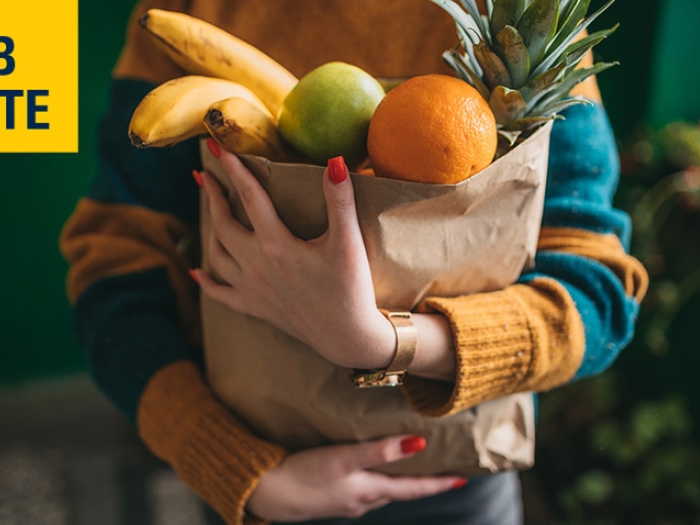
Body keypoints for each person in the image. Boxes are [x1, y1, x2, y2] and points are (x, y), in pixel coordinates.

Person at [59, 1, 649, 524]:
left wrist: (380, 343)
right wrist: (226, 460)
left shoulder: (521, 25)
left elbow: (597, 293)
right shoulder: (185, 12)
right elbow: (114, 260)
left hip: (456, 479)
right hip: (260, 473)